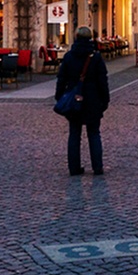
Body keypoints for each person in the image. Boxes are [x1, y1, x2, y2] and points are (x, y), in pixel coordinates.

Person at [56, 25, 111, 175]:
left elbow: (61, 79)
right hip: (93, 99)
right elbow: (102, 81)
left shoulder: (69, 57)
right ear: (90, 39)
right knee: (94, 133)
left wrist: (60, 97)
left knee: (74, 134)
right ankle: (97, 167)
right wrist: (105, 100)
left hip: (74, 99)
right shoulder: (96, 57)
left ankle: (74, 168)